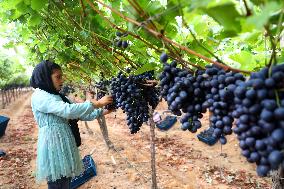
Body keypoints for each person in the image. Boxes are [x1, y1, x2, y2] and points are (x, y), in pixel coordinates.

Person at [30, 60, 113, 189]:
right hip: (53, 146)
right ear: (45, 77)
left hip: (63, 145)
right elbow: (67, 111)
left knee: (65, 181)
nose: (61, 80)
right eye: (58, 77)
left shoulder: (58, 97)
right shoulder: (39, 96)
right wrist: (96, 103)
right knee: (58, 182)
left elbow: (82, 114)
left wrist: (105, 110)